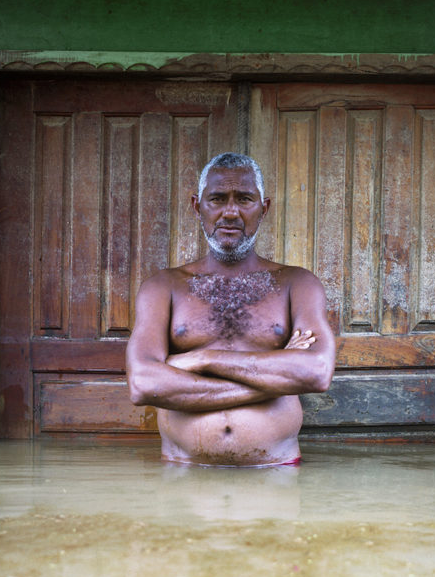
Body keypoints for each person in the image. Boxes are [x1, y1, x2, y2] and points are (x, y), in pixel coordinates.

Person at [126, 152, 335, 466]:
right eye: (218, 199)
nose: (231, 212)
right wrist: (276, 379)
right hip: (183, 481)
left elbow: (316, 372)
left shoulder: (296, 284)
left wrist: (199, 359)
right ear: (198, 206)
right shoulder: (164, 286)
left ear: (263, 209)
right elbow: (144, 382)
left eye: (245, 199)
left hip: (277, 476)